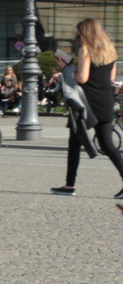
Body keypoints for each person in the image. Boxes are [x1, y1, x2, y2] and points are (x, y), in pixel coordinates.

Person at [52, 18, 123, 200]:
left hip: (85, 104)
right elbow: (110, 77)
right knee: (108, 145)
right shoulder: (111, 51)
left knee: (75, 144)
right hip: (105, 100)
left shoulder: (86, 50)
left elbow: (82, 78)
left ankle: (69, 185)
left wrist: (67, 68)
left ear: (85, 33)